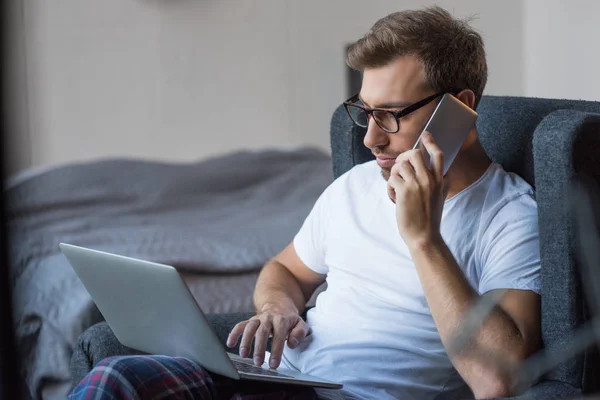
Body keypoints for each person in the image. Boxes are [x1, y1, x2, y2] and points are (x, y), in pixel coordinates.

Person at [69, 6, 541, 400]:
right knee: (117, 378)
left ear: (458, 108)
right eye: (364, 111)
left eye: (390, 116)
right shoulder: (355, 186)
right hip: (276, 378)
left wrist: (424, 240)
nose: (371, 138)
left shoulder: (511, 217)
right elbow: (285, 271)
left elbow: (496, 378)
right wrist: (277, 308)